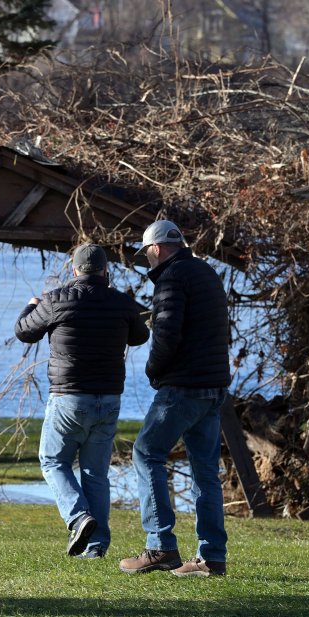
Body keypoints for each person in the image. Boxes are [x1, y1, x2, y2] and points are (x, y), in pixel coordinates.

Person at [15, 243, 149, 559]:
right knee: (95, 473)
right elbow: (141, 336)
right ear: (105, 271)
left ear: (75, 271)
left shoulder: (54, 300)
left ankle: (78, 517)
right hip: (109, 399)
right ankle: (96, 544)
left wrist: (30, 306)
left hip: (69, 398)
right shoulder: (122, 303)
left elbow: (24, 332)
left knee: (53, 461)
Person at [118, 219, 232, 578]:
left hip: (183, 386)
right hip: (214, 387)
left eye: (146, 256)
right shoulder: (207, 273)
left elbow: (166, 333)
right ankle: (211, 558)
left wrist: (153, 370)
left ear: (155, 249)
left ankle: (160, 546)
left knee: (146, 452)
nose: (147, 264)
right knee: (205, 473)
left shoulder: (171, 278)